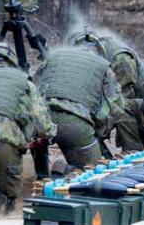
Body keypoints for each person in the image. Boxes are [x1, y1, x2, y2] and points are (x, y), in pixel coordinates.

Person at [0, 42, 56, 214]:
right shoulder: (24, 82)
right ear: (12, 61)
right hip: (5, 146)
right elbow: (43, 126)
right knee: (6, 203)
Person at [33, 45, 125, 174]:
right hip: (75, 125)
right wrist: (99, 129)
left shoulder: (53, 56)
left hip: (43, 120)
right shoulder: (103, 65)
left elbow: (33, 89)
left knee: (37, 136)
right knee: (93, 174)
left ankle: (42, 177)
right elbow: (116, 107)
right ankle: (63, 170)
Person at [70, 30, 144, 150]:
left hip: (142, 104)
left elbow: (122, 100)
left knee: (123, 113)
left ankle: (133, 152)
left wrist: (102, 123)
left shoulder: (120, 59)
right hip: (118, 97)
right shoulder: (92, 53)